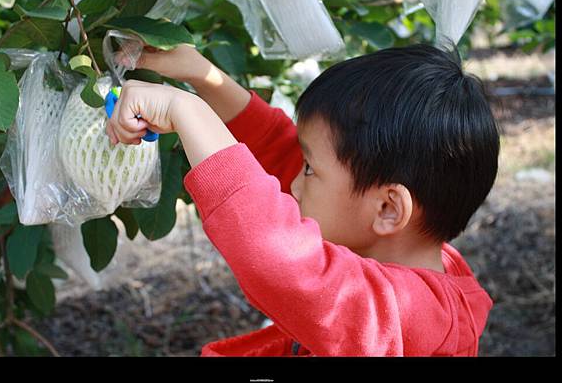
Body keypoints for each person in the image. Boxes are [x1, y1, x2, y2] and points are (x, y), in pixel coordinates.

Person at [106, 42, 499, 356]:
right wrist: (203, 77)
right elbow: (283, 152)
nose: (293, 183)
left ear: (387, 208)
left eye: (309, 171)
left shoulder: (412, 322)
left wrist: (188, 112)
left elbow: (286, 267)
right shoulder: (415, 247)